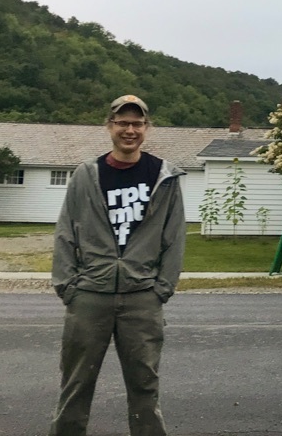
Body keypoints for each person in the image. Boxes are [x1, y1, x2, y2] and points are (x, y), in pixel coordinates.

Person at [49, 94, 187, 436]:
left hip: (142, 297)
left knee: (144, 387)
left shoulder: (163, 176)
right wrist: (68, 287)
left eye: (137, 124)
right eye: (122, 123)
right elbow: (66, 233)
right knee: (75, 386)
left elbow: (175, 237)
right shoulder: (86, 175)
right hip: (90, 296)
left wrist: (162, 289)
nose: (130, 130)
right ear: (109, 127)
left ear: (147, 128)